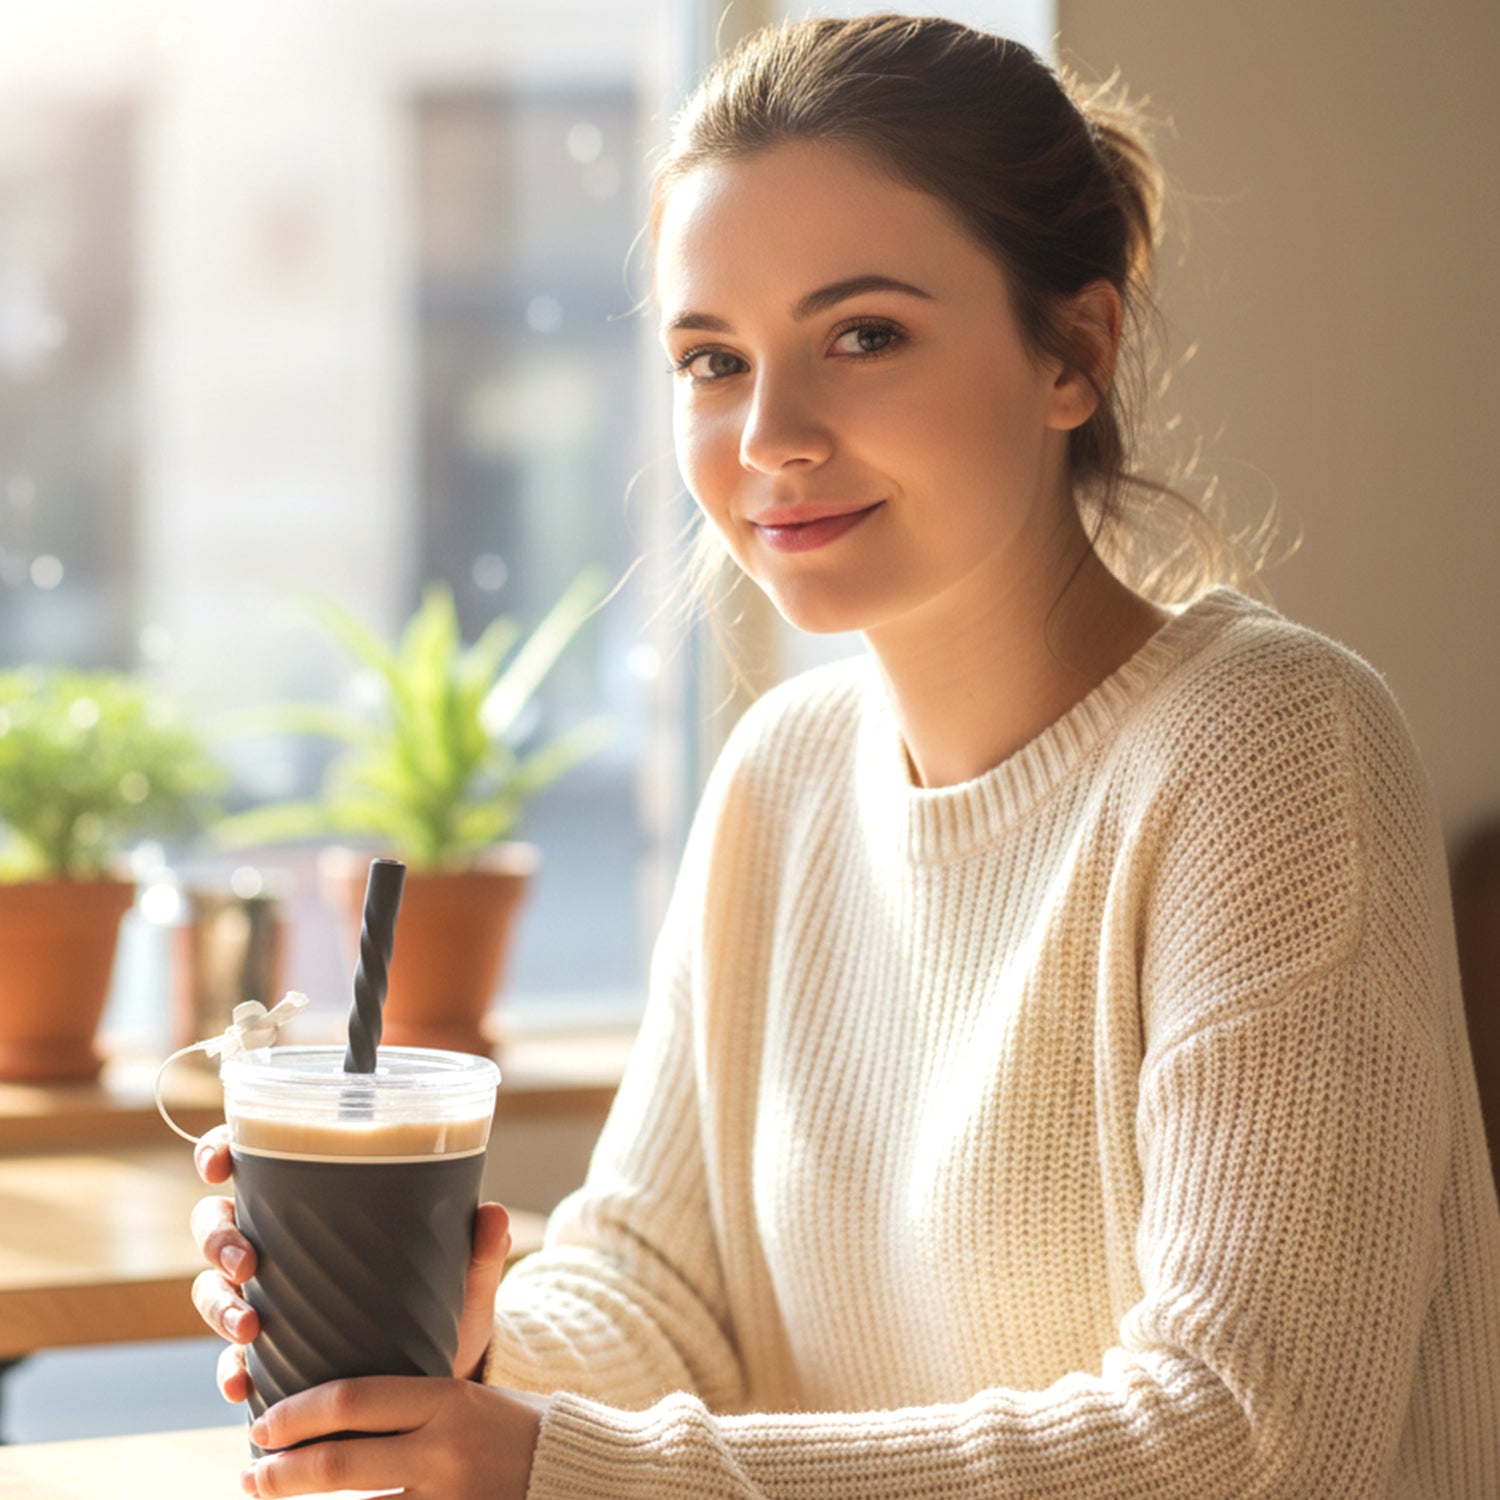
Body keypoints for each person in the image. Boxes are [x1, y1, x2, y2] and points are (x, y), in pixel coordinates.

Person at [189, 14, 1500, 1498]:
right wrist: (458, 1348)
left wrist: (568, 1466)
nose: (770, 434)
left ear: (1075, 351)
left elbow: (1254, 1437)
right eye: (712, 359)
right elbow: (661, 1293)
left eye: (864, 336)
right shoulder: (784, 775)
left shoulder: (1270, 746)